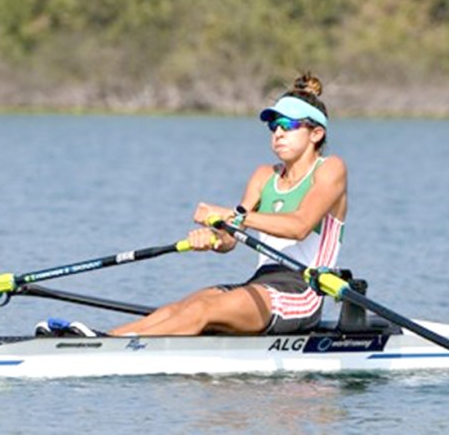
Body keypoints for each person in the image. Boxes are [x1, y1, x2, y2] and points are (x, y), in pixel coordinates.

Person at [109, 72, 347, 336]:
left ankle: (116, 351)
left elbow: (299, 226)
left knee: (203, 312)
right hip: (261, 283)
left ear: (316, 134)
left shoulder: (330, 170)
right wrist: (213, 237)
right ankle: (104, 341)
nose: (278, 133)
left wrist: (231, 216)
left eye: (288, 126)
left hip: (302, 290)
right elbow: (231, 238)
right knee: (181, 308)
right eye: (274, 126)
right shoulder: (264, 175)